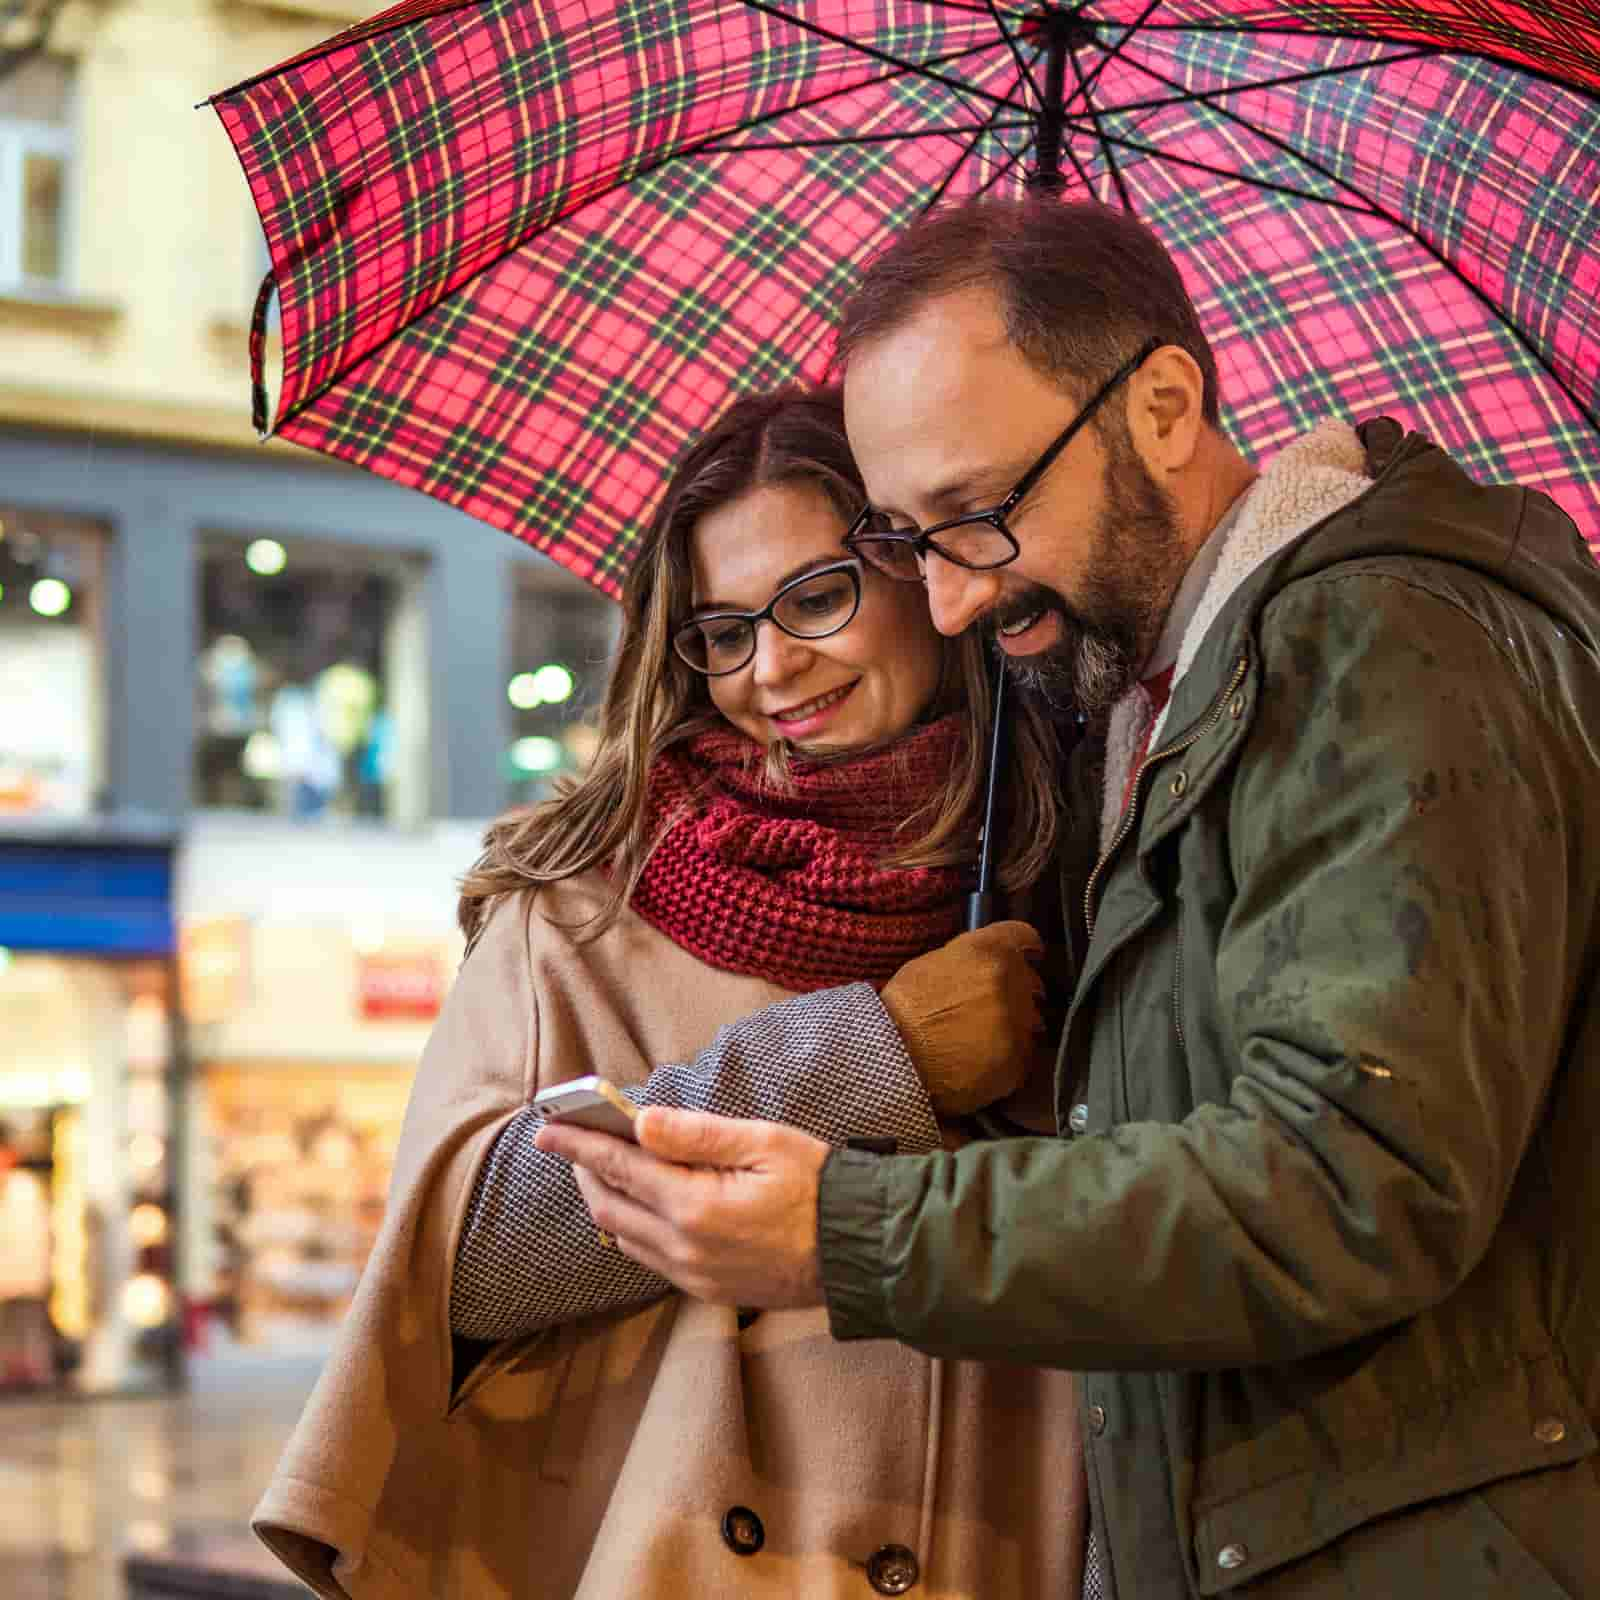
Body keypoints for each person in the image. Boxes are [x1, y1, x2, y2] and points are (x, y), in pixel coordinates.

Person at [543, 197, 1600, 1599]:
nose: (957, 601)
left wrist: (847, 1233)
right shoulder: (1152, 702)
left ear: (1164, 404)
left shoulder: (1375, 640)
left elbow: (1358, 1178)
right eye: (910, 539)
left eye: (978, 517)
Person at [252, 385, 1087, 1597]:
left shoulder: (1073, 872)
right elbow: (464, 1257)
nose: (770, 665)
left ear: (928, 578)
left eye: (814, 597)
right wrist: (879, 1052)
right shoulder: (588, 895)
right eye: (721, 629)